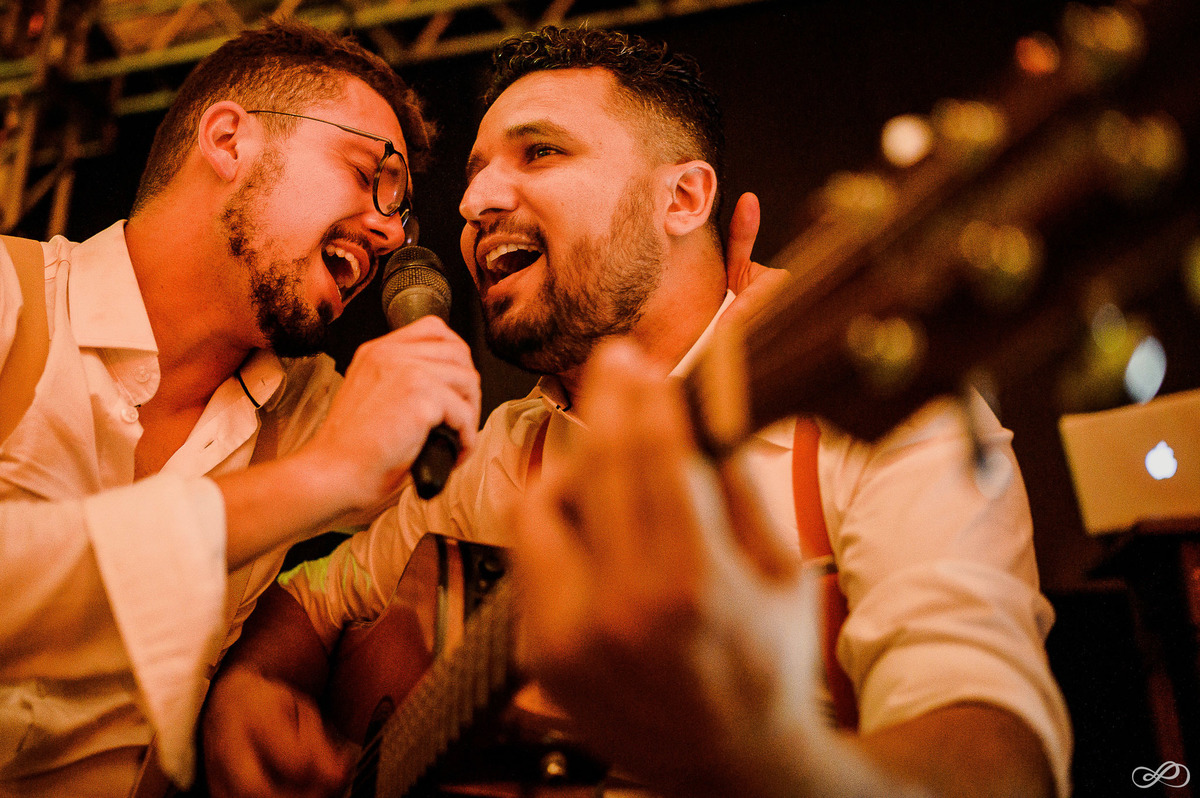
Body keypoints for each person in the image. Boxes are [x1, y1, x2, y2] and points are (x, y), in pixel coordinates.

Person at [201, 25, 1073, 798]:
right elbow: (314, 595)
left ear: (683, 199)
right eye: (474, 175)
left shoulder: (889, 420)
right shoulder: (499, 453)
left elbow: (1002, 762)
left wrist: (766, 753)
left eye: (540, 152)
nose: (472, 203)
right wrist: (253, 684)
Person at [0, 20, 484, 796]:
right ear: (229, 140)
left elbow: (506, 503)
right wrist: (316, 480)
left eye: (401, 212)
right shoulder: (10, 296)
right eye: (370, 174)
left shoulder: (317, 408)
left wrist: (251, 675)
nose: (392, 232)